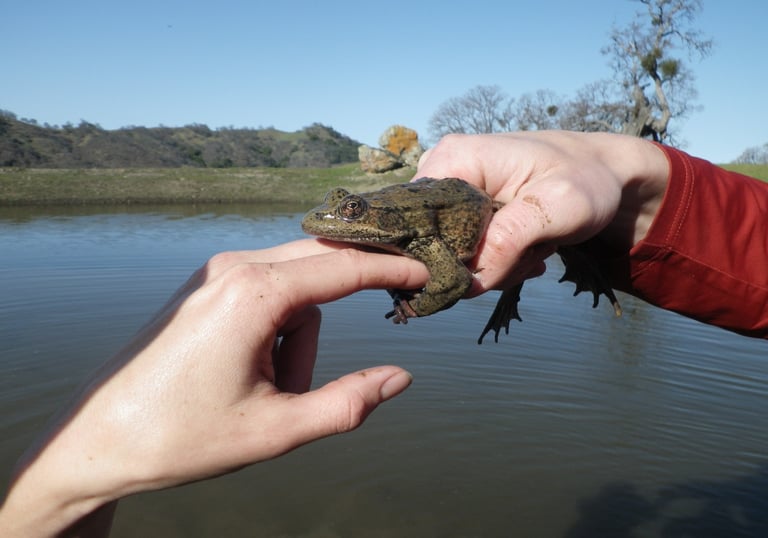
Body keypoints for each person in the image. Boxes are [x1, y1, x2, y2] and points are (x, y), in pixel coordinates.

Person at [1, 131, 765, 536]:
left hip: (456, 219)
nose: (334, 224)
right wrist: (638, 175)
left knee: (509, 273)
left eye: (352, 216)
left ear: (384, 218)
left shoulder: (417, 231)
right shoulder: (384, 214)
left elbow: (446, 279)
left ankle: (525, 299)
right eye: (344, 209)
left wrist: (412, 311)